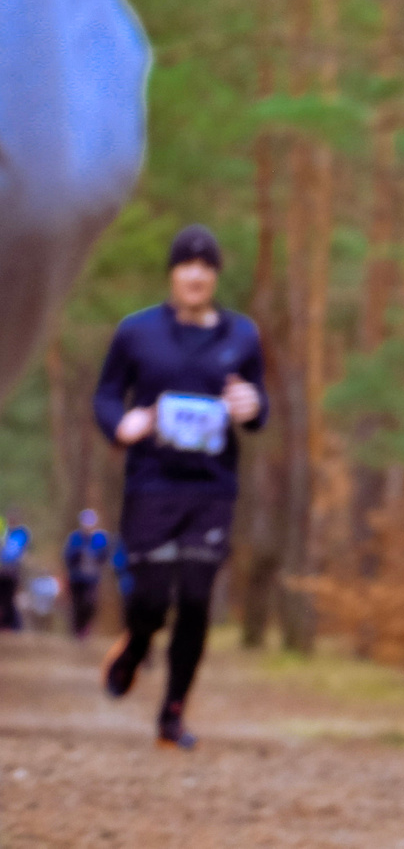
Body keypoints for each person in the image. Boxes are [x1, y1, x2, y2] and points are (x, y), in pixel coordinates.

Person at [93, 225, 266, 750]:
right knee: (149, 599)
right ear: (172, 273)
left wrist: (252, 408)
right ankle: (137, 640)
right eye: (186, 265)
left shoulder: (242, 336)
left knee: (194, 598)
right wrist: (121, 426)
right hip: (151, 483)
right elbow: (106, 395)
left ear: (215, 275)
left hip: (212, 488)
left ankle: (172, 713)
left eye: (206, 266)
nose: (195, 275)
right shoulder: (136, 332)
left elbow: (258, 407)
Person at [63, 509, 112, 640]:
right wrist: (79, 554)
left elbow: (104, 555)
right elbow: (68, 556)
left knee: (90, 603)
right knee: (77, 604)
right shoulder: (75, 537)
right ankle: (76, 631)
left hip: (92, 578)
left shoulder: (100, 538)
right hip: (76, 577)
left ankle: (85, 627)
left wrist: (94, 555)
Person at [0, 514, 27, 631]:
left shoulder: (21, 534)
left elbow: (17, 553)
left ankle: (12, 626)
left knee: (9, 599)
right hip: (3, 571)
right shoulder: (4, 532)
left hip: (12, 572)